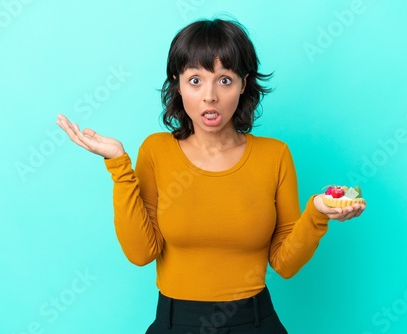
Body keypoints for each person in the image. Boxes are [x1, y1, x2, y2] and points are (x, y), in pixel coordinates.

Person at [56, 18, 365, 333]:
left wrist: (316, 213)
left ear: (244, 84)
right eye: (195, 80)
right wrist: (119, 165)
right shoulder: (156, 151)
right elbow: (140, 253)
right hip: (176, 323)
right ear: (177, 83)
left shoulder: (275, 156)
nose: (210, 96)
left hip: (255, 323)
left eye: (225, 80)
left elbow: (284, 265)